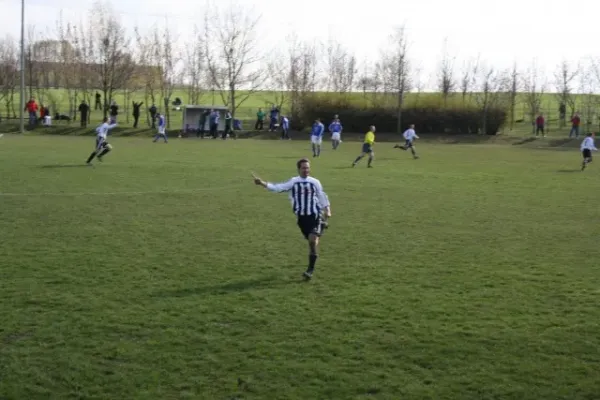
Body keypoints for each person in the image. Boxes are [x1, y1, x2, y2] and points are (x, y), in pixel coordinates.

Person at [252, 158, 331, 280]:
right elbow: (278, 188)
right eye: (304, 168)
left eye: (308, 168)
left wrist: (327, 209)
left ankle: (310, 270)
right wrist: (262, 183)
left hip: (315, 215)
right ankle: (320, 229)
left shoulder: (315, 182)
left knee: (312, 240)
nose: (306, 170)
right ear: (298, 169)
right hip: (302, 219)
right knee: (312, 242)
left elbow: (321, 195)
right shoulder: (294, 182)